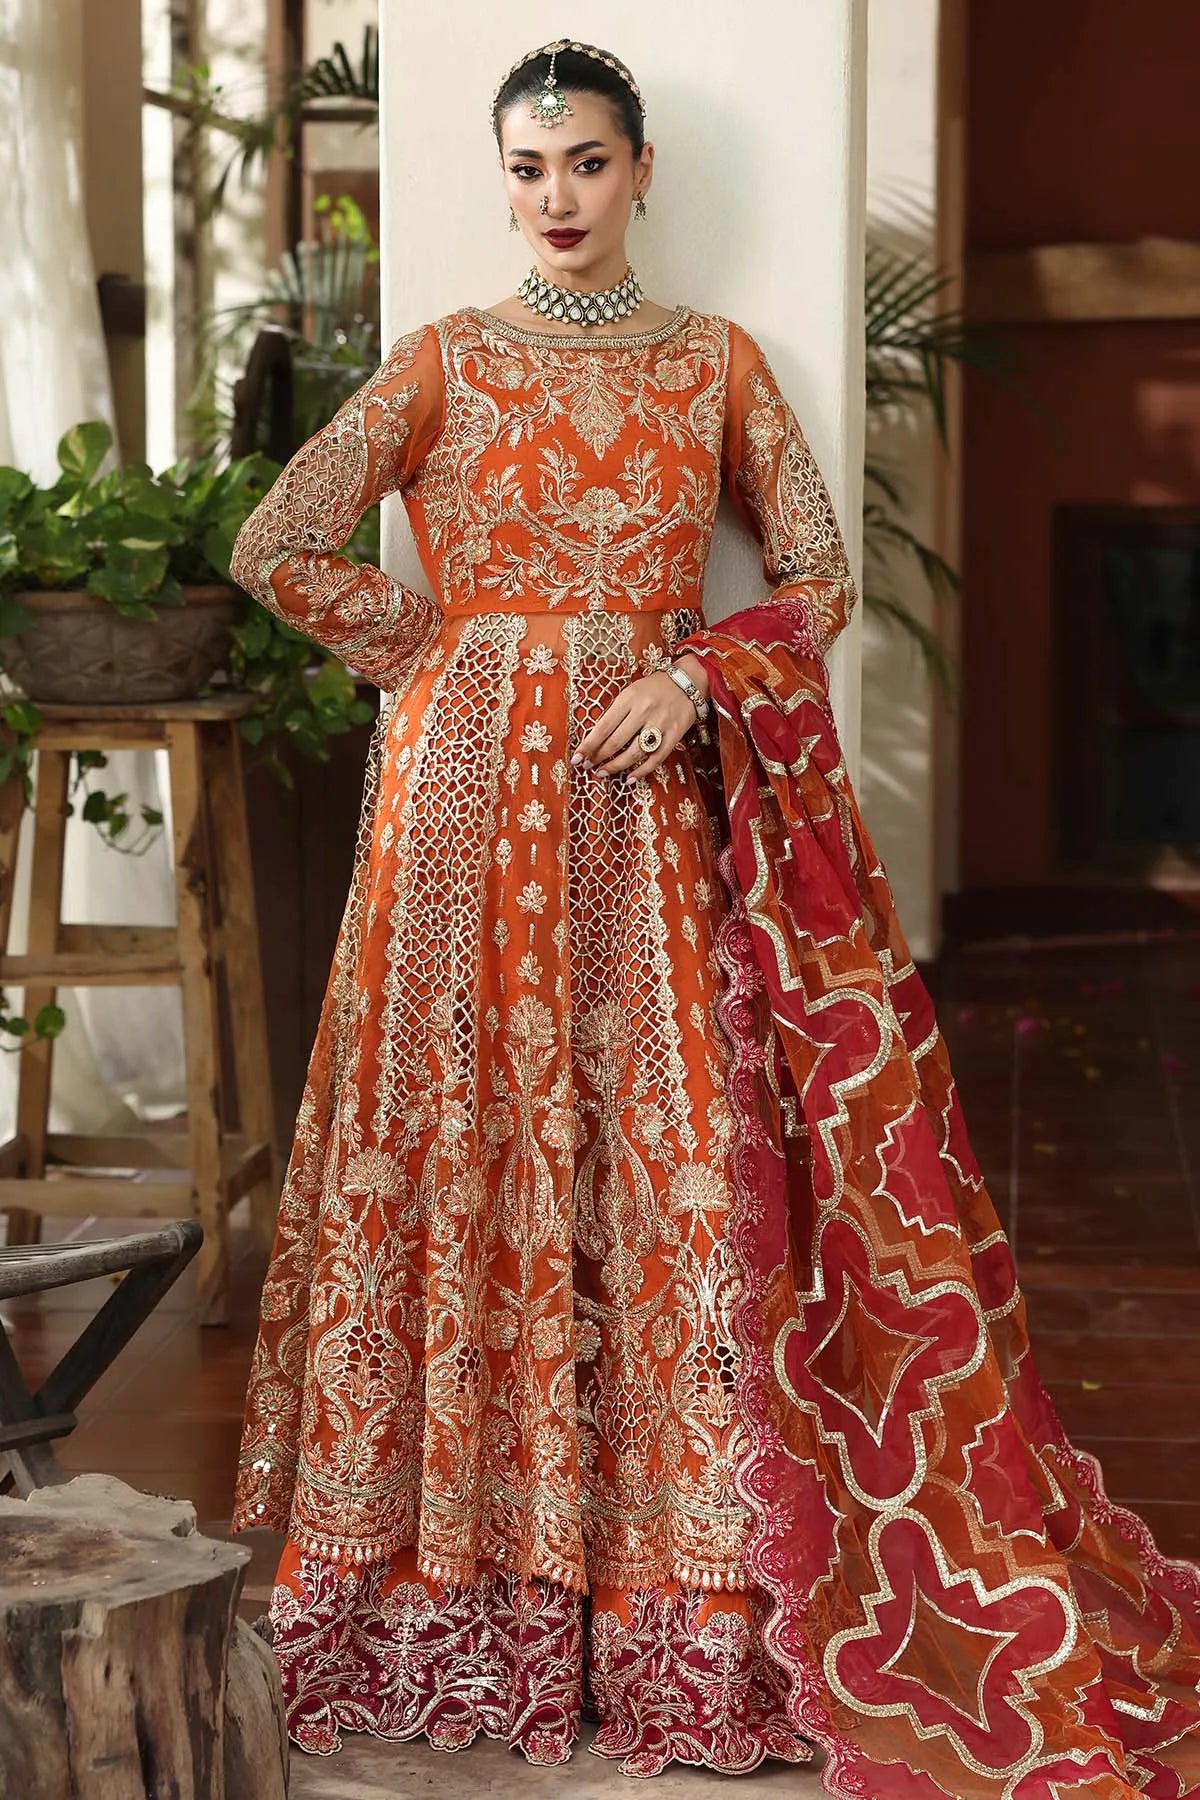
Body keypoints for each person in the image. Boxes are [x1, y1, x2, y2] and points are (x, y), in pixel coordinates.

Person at [230, 38, 1200, 1794]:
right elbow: (276, 542)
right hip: (456, 820)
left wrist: (698, 673)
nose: (556, 199)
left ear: (643, 166)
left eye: (586, 164)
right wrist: (432, 662)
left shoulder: (714, 367)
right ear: (499, 179)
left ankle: (684, 1607)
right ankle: (451, 1591)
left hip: (647, 803)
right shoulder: (443, 362)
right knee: (464, 1142)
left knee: (675, 1157)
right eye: (526, 170)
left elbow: (818, 575)